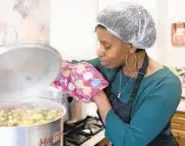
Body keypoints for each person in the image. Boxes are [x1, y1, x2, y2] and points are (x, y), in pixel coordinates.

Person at [74, 2, 181, 146]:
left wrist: (99, 96)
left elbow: (129, 142)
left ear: (131, 46)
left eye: (107, 46)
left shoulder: (166, 85)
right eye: (99, 44)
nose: (99, 52)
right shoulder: (108, 66)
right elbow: (78, 68)